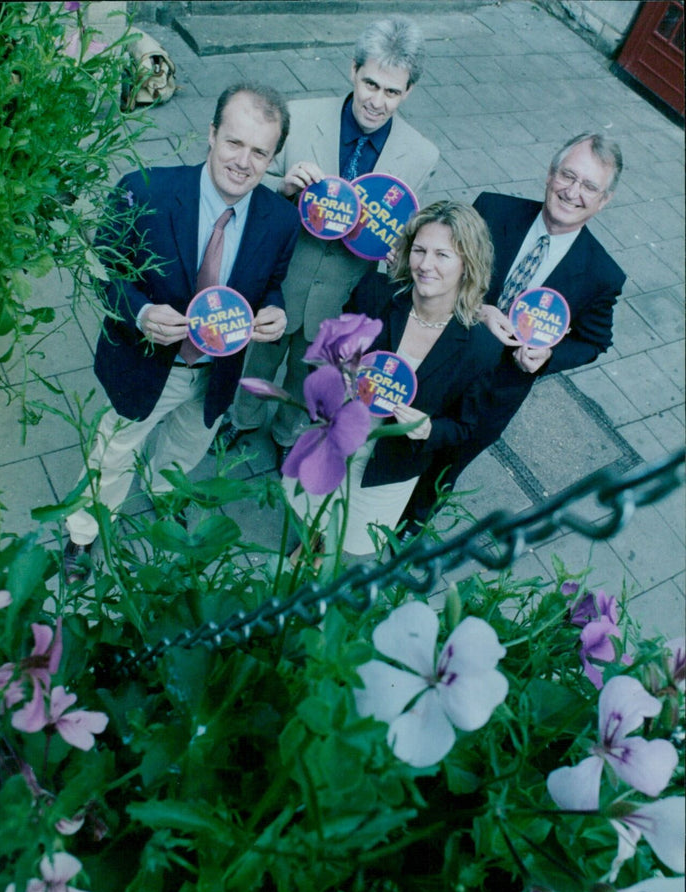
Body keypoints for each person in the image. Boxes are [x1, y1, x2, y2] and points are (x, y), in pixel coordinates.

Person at [63, 83, 301, 580]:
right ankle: (82, 531)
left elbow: (270, 284)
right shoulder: (145, 189)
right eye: (234, 142)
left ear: (274, 157)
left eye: (260, 151)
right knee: (115, 448)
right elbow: (102, 273)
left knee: (189, 443)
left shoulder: (280, 219)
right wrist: (142, 313)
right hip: (151, 362)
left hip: (218, 370)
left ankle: (162, 488)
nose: (243, 161)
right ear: (211, 135)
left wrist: (274, 312)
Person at [214, 15, 439, 463]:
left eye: (392, 92)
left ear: (408, 91)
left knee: (310, 372)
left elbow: (405, 229)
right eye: (370, 83)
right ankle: (240, 419)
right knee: (257, 359)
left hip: (340, 296)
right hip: (279, 279)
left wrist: (402, 251)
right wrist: (281, 187)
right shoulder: (301, 114)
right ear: (353, 69)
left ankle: (286, 433)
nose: (376, 101)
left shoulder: (422, 155)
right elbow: (246, 179)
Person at [404, 132, 626, 530]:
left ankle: (408, 531)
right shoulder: (491, 210)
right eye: (567, 176)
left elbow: (594, 342)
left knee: (445, 469)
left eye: (589, 186)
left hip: (497, 391)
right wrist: (477, 309)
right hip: (438, 360)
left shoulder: (601, 273)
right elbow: (439, 269)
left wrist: (548, 356)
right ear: (549, 174)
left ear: (604, 200)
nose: (572, 192)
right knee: (402, 439)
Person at [284, 201, 502, 558]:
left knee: (351, 536)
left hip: (390, 464)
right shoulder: (376, 293)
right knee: (314, 507)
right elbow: (326, 352)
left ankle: (326, 556)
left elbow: (465, 427)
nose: (425, 265)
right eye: (419, 250)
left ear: (468, 265)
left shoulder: (480, 348)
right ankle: (310, 545)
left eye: (442, 255)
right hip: (337, 437)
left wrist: (429, 428)